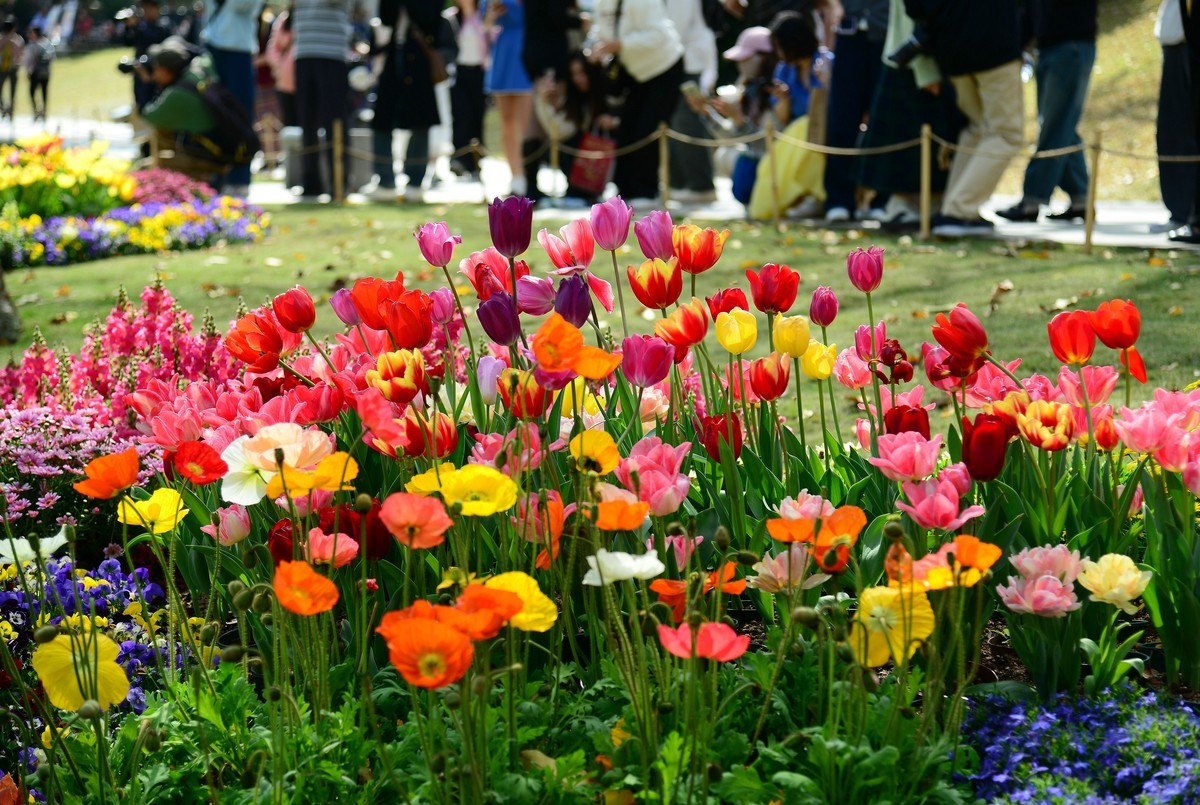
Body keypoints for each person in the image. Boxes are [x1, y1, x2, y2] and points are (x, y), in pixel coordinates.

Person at [905, 0, 1024, 237]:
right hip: (995, 44)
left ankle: (954, 209)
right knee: (1006, 133)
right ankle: (958, 211)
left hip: (952, 49)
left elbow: (913, 7)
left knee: (978, 128)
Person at [856, 0, 963, 228]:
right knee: (912, 147)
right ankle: (907, 208)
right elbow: (911, 15)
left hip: (917, 61)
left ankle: (928, 206)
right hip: (914, 64)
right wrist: (926, 71)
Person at [996, 0, 1098, 224]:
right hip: (1048, 46)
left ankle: (1032, 201)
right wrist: (1018, 45)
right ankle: (1081, 198)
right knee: (1062, 125)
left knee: (1056, 125)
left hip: (1071, 45)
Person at [587, 0, 685, 206]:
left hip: (663, 67)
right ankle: (625, 189)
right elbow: (602, 30)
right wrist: (596, 47)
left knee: (647, 130)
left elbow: (658, 35)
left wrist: (620, 44)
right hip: (634, 71)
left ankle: (645, 192)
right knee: (627, 129)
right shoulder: (601, 3)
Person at [747, 10, 826, 220]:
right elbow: (783, 118)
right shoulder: (783, 71)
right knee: (770, 163)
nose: (778, 53)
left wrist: (827, 82)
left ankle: (813, 197)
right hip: (795, 134)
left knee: (807, 127)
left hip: (824, 133)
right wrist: (783, 100)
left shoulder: (826, 62)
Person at [362, 0, 443, 202]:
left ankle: (415, 181)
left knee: (420, 122)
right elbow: (386, 17)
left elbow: (431, 18)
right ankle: (385, 180)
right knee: (381, 120)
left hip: (419, 57)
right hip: (393, 57)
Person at [687, 25, 777, 208]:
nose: (741, 64)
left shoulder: (777, 91)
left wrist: (738, 119)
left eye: (746, 58)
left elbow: (767, 143)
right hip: (758, 158)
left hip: (774, 161)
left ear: (764, 57)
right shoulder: (749, 88)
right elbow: (730, 136)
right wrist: (706, 112)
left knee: (734, 157)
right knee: (725, 154)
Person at [821, 0, 888, 222]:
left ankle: (882, 200)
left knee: (883, 121)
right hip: (848, 35)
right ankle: (838, 200)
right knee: (842, 120)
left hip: (886, 34)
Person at [530, 50, 616, 204]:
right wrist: (542, 101)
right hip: (580, 165)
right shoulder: (573, 100)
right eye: (573, 74)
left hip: (609, 159)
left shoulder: (608, 91)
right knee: (569, 141)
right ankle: (577, 192)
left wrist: (613, 122)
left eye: (582, 73)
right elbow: (558, 132)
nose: (578, 79)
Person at [135, 37, 227, 182]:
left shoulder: (177, 95)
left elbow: (148, 114)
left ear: (166, 71)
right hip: (219, 146)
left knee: (150, 165)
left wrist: (147, 83)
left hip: (209, 155)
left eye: (156, 69)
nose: (154, 73)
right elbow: (202, 54)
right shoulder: (197, 70)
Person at [202, 0, 265, 195]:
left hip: (239, 50)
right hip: (211, 45)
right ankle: (213, 175)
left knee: (239, 116)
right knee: (211, 112)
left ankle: (239, 178)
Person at [291, 0, 352, 198]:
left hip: (332, 53)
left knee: (334, 121)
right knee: (306, 121)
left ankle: (339, 181)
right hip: (303, 50)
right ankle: (311, 182)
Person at [666, 0, 719, 204]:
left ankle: (701, 185)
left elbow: (677, 26)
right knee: (675, 125)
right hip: (679, 60)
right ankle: (679, 184)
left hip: (690, 62)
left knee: (687, 123)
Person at [482, 0, 533, 196]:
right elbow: (485, 25)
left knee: (525, 123)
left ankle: (526, 173)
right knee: (508, 121)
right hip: (504, 50)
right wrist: (492, 15)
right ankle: (516, 175)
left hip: (527, 49)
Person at [1156, 0, 1194, 232]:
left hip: (1187, 45)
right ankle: (1180, 210)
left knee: (1184, 132)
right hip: (1175, 44)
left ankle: (1187, 211)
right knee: (1171, 131)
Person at [446, 0, 487, 178]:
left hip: (480, 72)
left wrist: (472, 14)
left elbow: (485, 39)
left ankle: (475, 163)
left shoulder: (483, 16)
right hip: (458, 73)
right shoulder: (451, 17)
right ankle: (459, 160)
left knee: (477, 116)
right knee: (460, 116)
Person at [123, 0, 174, 112]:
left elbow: (155, 37)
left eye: (148, 7)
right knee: (140, 102)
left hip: (158, 71)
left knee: (156, 104)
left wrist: (136, 27)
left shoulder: (164, 24)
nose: (145, 10)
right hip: (140, 70)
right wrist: (129, 27)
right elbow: (128, 42)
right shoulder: (140, 25)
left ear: (156, 8)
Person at [264, 5, 296, 126]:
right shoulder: (284, 19)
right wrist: (280, 66)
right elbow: (272, 48)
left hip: (307, 81)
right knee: (288, 124)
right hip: (284, 83)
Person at [23, 26, 52, 121]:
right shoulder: (47, 43)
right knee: (44, 92)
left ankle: (35, 111)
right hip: (45, 72)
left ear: (34, 33)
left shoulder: (32, 45)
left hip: (35, 73)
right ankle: (43, 111)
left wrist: (28, 71)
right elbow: (52, 57)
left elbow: (28, 60)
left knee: (32, 92)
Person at [0, 18, 23, 120]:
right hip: (2, 68)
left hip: (13, 68)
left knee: (12, 92)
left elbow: (19, 53)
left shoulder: (18, 40)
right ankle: (4, 107)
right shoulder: (2, 39)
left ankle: (11, 111)